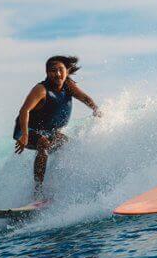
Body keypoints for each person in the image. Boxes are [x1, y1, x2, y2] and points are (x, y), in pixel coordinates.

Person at [13, 55, 101, 198]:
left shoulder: (68, 86)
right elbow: (24, 110)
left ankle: (55, 185)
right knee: (43, 143)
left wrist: (96, 110)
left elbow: (85, 98)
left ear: (67, 71)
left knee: (68, 145)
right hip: (27, 130)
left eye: (61, 70)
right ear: (47, 73)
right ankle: (37, 191)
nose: (58, 74)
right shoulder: (41, 89)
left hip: (48, 131)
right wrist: (25, 135)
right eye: (53, 70)